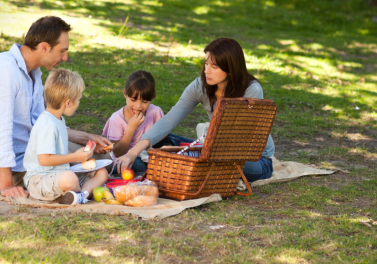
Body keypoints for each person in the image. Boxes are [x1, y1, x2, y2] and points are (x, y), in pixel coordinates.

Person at [0, 16, 111, 198]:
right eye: (62, 51)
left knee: (103, 160)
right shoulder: (3, 71)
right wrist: (6, 185)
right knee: (79, 173)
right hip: (18, 168)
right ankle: (79, 191)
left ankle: (79, 191)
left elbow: (43, 123)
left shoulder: (34, 73)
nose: (65, 57)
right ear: (44, 47)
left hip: (37, 153)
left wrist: (86, 138)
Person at [114, 38, 275, 182]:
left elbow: (240, 139)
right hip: (212, 151)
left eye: (214, 66)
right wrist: (132, 153)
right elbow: (170, 120)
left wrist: (203, 153)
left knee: (225, 165)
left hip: (252, 159)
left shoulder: (252, 90)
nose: (207, 70)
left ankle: (180, 166)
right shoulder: (200, 86)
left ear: (231, 69)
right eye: (206, 63)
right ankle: (186, 165)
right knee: (160, 142)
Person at [23, 69, 108, 205]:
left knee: (101, 172)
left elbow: (61, 151)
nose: (79, 103)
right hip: (39, 180)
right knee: (69, 178)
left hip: (59, 173)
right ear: (68, 103)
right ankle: (81, 192)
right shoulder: (47, 124)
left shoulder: (58, 119)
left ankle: (81, 195)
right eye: (79, 99)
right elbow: (44, 159)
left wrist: (82, 161)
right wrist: (74, 157)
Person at [103, 70, 190, 174]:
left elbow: (163, 139)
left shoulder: (155, 111)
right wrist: (131, 129)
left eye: (144, 102)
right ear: (125, 93)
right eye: (133, 100)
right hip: (127, 158)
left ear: (152, 97)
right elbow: (117, 152)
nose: (138, 106)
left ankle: (197, 146)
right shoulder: (116, 119)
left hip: (152, 154)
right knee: (136, 166)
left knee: (172, 139)